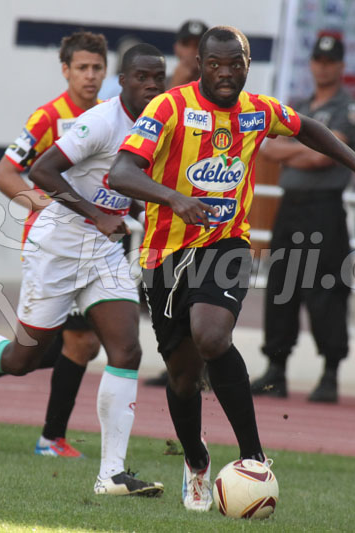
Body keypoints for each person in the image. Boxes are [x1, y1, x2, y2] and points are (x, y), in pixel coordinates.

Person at [108, 26, 355, 511]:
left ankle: (254, 455)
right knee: (183, 377)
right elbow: (121, 173)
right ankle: (195, 460)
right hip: (164, 254)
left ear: (248, 63)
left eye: (235, 64)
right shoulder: (168, 107)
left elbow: (310, 128)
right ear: (200, 64)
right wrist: (175, 198)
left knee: (212, 337)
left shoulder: (260, 110)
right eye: (215, 65)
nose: (226, 74)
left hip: (227, 244)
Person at [0, 43, 168, 496]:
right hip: (57, 248)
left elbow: (123, 182)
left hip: (103, 253)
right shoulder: (100, 120)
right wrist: (94, 214)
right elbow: (41, 170)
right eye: (142, 77)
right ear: (124, 81)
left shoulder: (159, 124)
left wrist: (134, 210)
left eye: (159, 77)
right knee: (24, 359)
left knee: (126, 350)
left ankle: (111, 474)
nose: (153, 85)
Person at [0, 32, 107, 462]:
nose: (90, 76)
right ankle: (50, 438)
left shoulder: (108, 116)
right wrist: (44, 205)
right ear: (65, 70)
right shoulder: (48, 117)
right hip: (53, 247)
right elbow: (4, 173)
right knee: (79, 343)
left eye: (97, 68)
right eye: (82, 68)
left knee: (75, 344)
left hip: (92, 247)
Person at [250, 34, 355, 404]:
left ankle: (330, 372)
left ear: (342, 67)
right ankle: (276, 370)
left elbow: (323, 158)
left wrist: (294, 151)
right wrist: (305, 147)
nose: (323, 67)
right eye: (318, 60)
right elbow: (267, 146)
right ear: (311, 63)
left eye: (331, 62)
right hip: (291, 206)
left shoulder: (349, 108)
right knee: (282, 286)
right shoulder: (298, 107)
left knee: (325, 291)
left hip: (324, 209)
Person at [143, 18, 209, 389]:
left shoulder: (222, 94)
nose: (191, 53)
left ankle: (206, 362)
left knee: (208, 299)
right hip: (164, 217)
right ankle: (181, 366)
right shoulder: (164, 94)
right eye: (186, 45)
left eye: (197, 47)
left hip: (209, 220)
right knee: (167, 302)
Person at [169, 20, 208, 89]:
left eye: (198, 45)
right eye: (186, 44)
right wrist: (176, 84)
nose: (191, 50)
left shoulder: (217, 85)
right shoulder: (160, 84)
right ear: (176, 48)